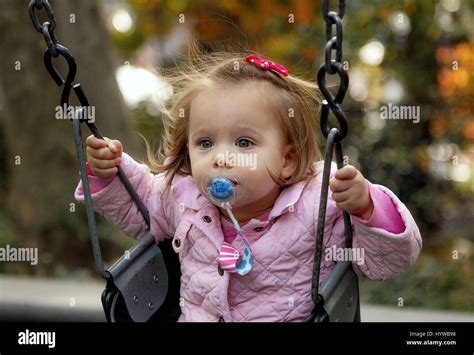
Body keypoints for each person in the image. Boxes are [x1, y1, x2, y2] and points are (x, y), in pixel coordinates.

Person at [75, 52, 422, 322]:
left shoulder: (320, 203)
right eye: (206, 143)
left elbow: (389, 262)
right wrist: (109, 173)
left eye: (243, 143)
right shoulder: (183, 198)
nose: (221, 158)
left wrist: (367, 207)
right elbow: (140, 206)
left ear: (287, 158)